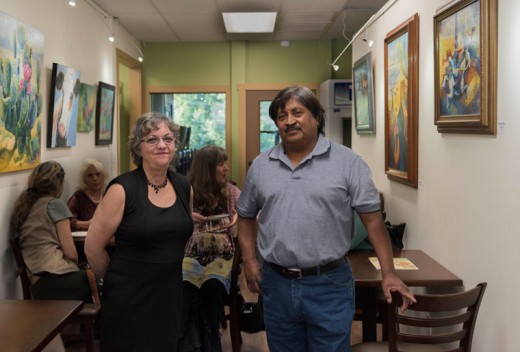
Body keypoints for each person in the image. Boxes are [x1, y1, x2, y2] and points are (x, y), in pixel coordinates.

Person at [236, 86, 416, 352]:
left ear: (316, 117)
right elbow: (245, 216)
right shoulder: (261, 166)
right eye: (281, 116)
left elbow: (373, 221)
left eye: (297, 112)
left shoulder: (348, 162)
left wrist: (388, 273)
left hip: (329, 283)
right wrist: (249, 260)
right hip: (276, 282)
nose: (289, 121)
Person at [85, 112, 194, 352]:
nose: (162, 145)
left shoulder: (184, 186)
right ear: (138, 147)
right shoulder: (121, 190)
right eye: (152, 139)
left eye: (168, 138)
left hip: (170, 295)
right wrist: (118, 280)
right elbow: (92, 248)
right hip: (128, 299)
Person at [178, 145, 241, 352]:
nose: (226, 168)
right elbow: (170, 220)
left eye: (225, 163)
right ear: (207, 168)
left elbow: (252, 211)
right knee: (185, 292)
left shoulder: (231, 191)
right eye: (220, 164)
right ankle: (189, 345)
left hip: (221, 256)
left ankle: (211, 344)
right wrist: (187, 216)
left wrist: (237, 217)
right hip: (191, 255)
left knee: (210, 288)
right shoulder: (186, 191)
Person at [10, 160, 92, 302]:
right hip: (56, 280)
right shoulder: (55, 204)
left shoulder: (25, 204)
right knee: (108, 281)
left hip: (38, 283)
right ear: (58, 184)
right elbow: (71, 253)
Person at [67, 158, 108, 231]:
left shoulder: (109, 196)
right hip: (83, 240)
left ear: (104, 176)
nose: (95, 178)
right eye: (90, 175)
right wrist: (86, 224)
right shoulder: (78, 197)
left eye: (98, 174)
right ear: (84, 179)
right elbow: (67, 221)